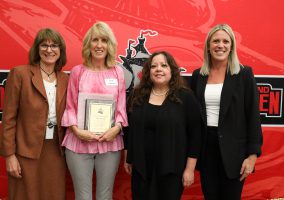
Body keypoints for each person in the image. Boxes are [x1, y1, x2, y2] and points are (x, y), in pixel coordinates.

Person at [190, 24, 263, 200]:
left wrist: (252, 156)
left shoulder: (244, 74)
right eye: (215, 41)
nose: (220, 45)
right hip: (207, 149)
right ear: (208, 45)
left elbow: (253, 116)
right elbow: (193, 118)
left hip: (235, 152)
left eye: (225, 41)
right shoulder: (198, 75)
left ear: (231, 46)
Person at [0, 28, 69, 200]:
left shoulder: (66, 79)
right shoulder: (20, 74)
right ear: (37, 49)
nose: (49, 50)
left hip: (56, 152)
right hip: (25, 150)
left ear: (61, 51)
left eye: (54, 46)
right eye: (44, 45)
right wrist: (9, 156)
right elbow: (8, 119)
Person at [61, 21, 128, 200]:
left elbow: (121, 107)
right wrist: (77, 131)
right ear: (88, 44)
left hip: (110, 142)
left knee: (105, 196)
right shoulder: (77, 72)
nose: (99, 45)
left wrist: (118, 127)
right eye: (95, 40)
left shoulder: (117, 72)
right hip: (78, 143)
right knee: (82, 196)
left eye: (104, 40)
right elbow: (70, 107)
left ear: (110, 45)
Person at [123, 51, 202, 200]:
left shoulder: (185, 97)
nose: (158, 69)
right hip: (141, 169)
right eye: (154, 66)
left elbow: (195, 135)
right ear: (148, 72)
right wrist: (128, 156)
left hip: (171, 170)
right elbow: (128, 129)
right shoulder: (137, 95)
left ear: (171, 70)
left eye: (164, 65)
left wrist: (189, 169)